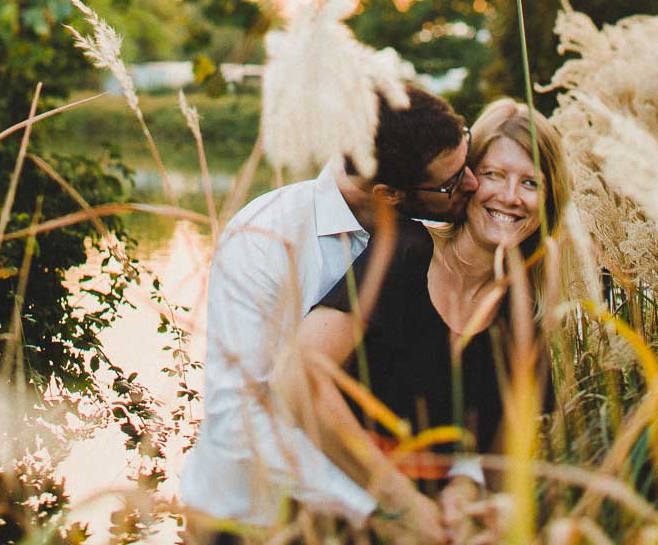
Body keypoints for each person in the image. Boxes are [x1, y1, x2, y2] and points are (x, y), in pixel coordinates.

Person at [178, 84, 476, 540]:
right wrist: (380, 506)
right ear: (389, 194)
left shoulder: (421, 244)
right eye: (452, 183)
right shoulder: (263, 239)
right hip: (247, 520)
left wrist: (458, 479)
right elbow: (238, 417)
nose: (472, 184)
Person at [276, 99, 575, 539]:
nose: (510, 197)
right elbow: (297, 377)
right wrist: (399, 502)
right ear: (467, 179)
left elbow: (501, 476)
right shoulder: (404, 251)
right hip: (332, 524)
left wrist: (470, 495)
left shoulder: (525, 322)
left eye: (530, 183)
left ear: (550, 199)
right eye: (494, 175)